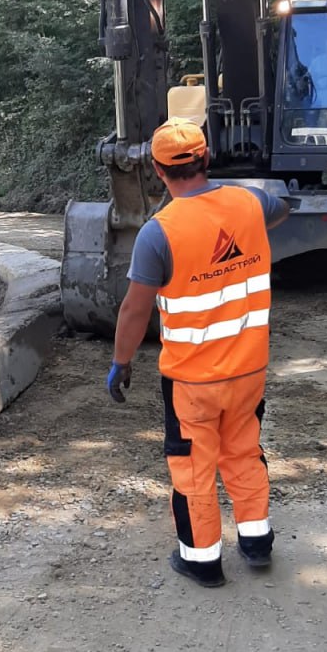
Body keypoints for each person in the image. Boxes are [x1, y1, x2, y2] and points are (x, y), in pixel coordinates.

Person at [106, 117, 290, 587]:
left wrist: (121, 362)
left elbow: (133, 310)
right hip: (249, 369)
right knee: (244, 453)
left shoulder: (157, 233)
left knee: (193, 466)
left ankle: (202, 560)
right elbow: (283, 207)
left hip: (193, 381)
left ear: (157, 170)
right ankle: (256, 542)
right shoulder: (249, 203)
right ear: (207, 159)